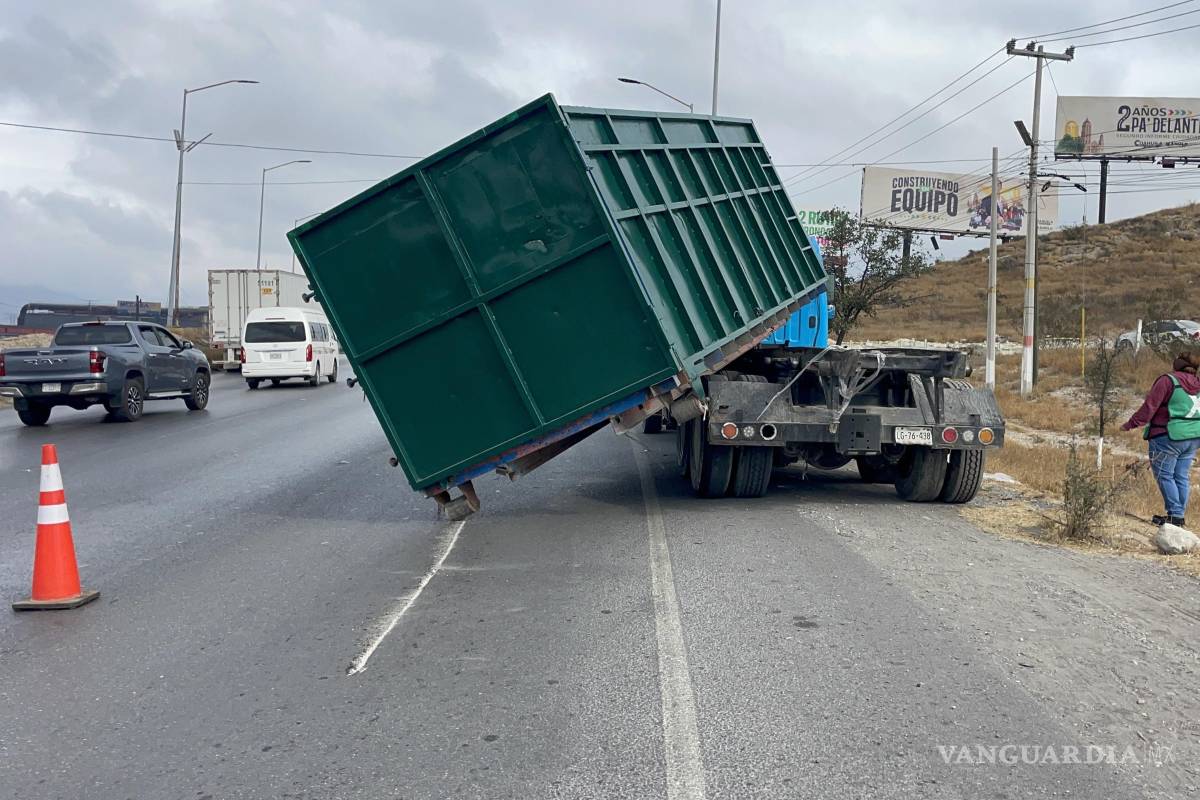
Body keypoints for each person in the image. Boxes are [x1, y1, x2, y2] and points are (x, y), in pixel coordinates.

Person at [1121, 352, 1200, 527]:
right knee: (1181, 476)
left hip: (1167, 436)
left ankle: (1175, 516)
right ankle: (1178, 516)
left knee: (1165, 475)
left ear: (1176, 365)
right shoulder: (1198, 383)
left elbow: (1150, 406)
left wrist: (1130, 424)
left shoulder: (1167, 381)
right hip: (1194, 436)